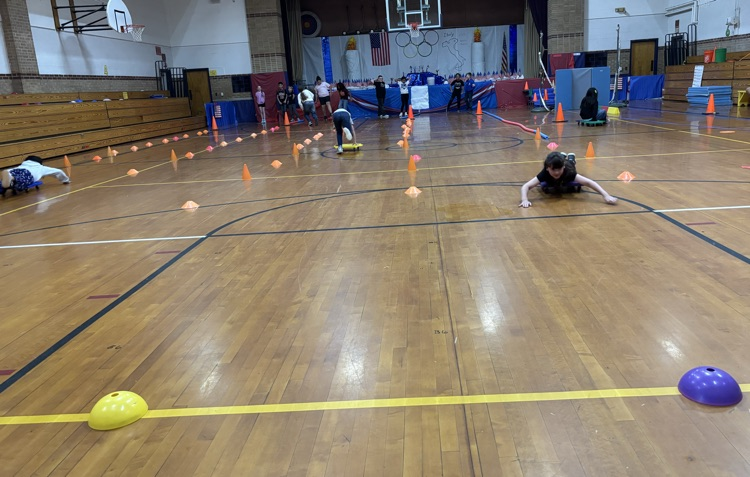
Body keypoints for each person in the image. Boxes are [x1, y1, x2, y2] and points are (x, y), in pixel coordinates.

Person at [519, 151, 617, 208]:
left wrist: (606, 195)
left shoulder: (568, 171)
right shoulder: (544, 173)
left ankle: (570, 158)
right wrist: (524, 200)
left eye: (559, 169)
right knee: (559, 161)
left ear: (563, 167)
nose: (557, 173)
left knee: (571, 162)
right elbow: (526, 186)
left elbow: (589, 182)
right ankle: (562, 156)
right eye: (553, 170)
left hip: (569, 165)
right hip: (559, 165)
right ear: (548, 168)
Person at [1, 155, 70, 194]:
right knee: (22, 181)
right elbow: (58, 172)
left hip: (14, 170)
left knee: (3, 183)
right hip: (27, 174)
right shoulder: (41, 167)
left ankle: (9, 178)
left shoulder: (22, 165)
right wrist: (65, 180)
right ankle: (12, 179)